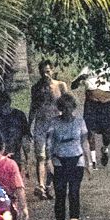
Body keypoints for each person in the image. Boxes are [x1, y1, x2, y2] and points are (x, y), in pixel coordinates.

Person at [45, 93, 93, 220]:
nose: (66, 111)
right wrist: (48, 161)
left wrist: (89, 162)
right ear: (60, 108)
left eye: (69, 108)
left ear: (73, 108)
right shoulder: (54, 123)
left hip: (76, 160)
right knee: (60, 194)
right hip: (59, 160)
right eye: (63, 108)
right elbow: (49, 144)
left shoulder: (80, 122)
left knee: (74, 192)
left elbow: (84, 142)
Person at [28, 62, 68, 199]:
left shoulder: (60, 86)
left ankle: (49, 185)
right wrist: (29, 126)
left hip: (56, 124)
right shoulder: (36, 88)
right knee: (41, 156)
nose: (46, 74)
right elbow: (33, 107)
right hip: (41, 124)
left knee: (54, 157)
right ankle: (41, 186)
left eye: (48, 71)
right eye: (43, 72)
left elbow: (68, 105)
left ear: (52, 71)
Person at [74, 64, 110, 168]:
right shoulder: (87, 68)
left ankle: (105, 149)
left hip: (106, 104)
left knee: (107, 135)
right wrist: (79, 79)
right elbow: (73, 85)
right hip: (91, 104)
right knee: (90, 131)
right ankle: (93, 162)